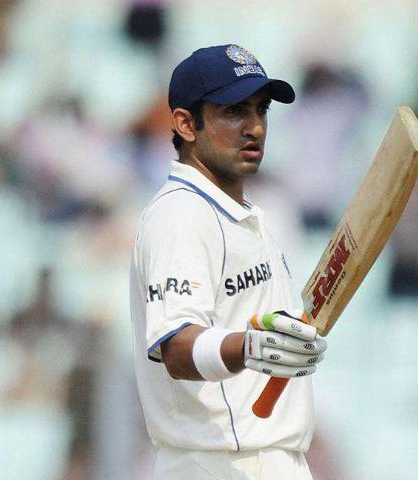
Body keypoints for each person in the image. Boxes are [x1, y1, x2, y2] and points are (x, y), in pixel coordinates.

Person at [130, 44, 328, 480]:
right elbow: (176, 346)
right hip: (218, 463)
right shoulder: (180, 215)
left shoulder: (243, 216)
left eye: (261, 110)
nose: (255, 127)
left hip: (263, 460)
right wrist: (251, 347)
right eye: (234, 111)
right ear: (185, 124)